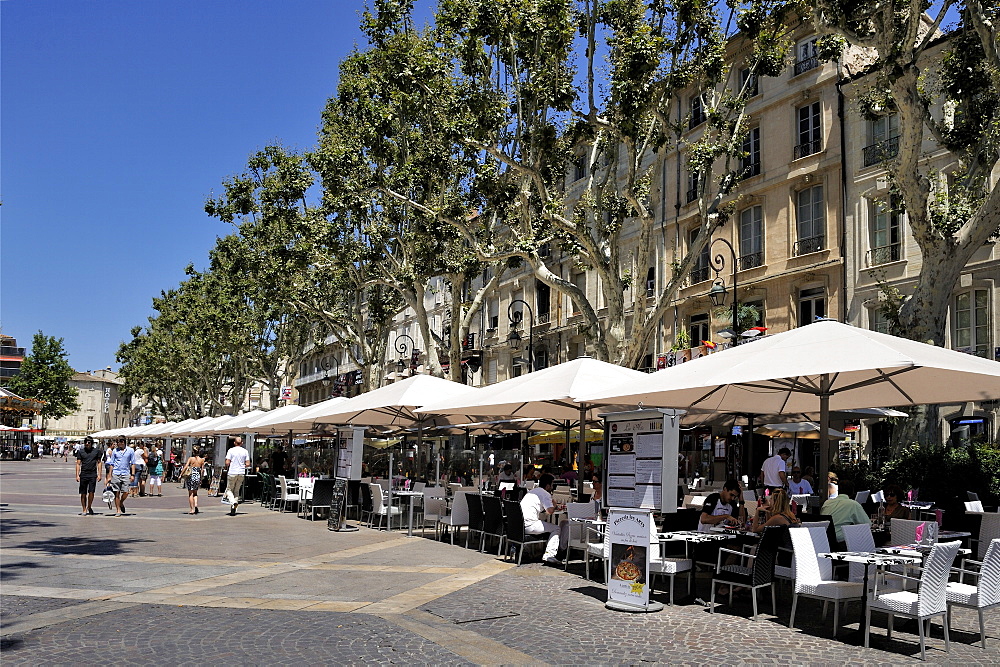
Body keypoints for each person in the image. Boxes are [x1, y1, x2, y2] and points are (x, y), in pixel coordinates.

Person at [520, 473, 563, 564]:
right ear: (547, 486)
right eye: (552, 485)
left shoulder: (532, 491)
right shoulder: (545, 494)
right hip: (530, 525)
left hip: (520, 525)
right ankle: (549, 555)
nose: (552, 487)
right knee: (556, 528)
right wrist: (554, 504)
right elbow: (550, 511)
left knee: (546, 524)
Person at [820, 479, 870, 544]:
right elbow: (867, 525)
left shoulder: (827, 503)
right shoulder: (853, 504)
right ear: (852, 492)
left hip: (824, 540)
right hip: (842, 542)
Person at [106, 438, 136, 517]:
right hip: (116, 473)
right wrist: (109, 475)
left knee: (126, 492)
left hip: (126, 473)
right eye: (117, 442)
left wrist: (133, 474)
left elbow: (133, 463)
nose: (118, 444)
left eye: (119, 442)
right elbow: (112, 463)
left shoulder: (130, 451)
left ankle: (121, 502)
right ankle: (118, 509)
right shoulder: (115, 451)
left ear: (123, 442)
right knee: (117, 492)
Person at [223, 436, 251, 516]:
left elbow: (227, 462)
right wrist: (242, 465)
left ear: (234, 443)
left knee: (229, 490)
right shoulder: (245, 451)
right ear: (242, 443)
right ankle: (233, 509)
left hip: (232, 472)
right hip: (241, 472)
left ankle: (233, 502)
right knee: (236, 490)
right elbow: (248, 463)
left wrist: (230, 463)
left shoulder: (231, 450)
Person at [75, 437, 103, 515]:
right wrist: (77, 475)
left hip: (92, 474)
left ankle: (89, 506)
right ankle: (84, 509)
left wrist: (100, 474)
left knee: (91, 492)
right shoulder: (81, 452)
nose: (87, 444)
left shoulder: (96, 451)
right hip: (83, 474)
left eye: (89, 442)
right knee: (83, 493)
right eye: (86, 442)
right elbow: (78, 463)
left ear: (92, 443)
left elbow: (99, 462)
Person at [183, 447, 206, 515]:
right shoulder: (202, 460)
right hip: (197, 477)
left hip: (191, 476)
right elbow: (202, 470)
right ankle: (195, 505)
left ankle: (192, 509)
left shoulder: (191, 459)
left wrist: (181, 474)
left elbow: (186, 466)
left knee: (191, 493)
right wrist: (201, 478)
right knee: (195, 492)